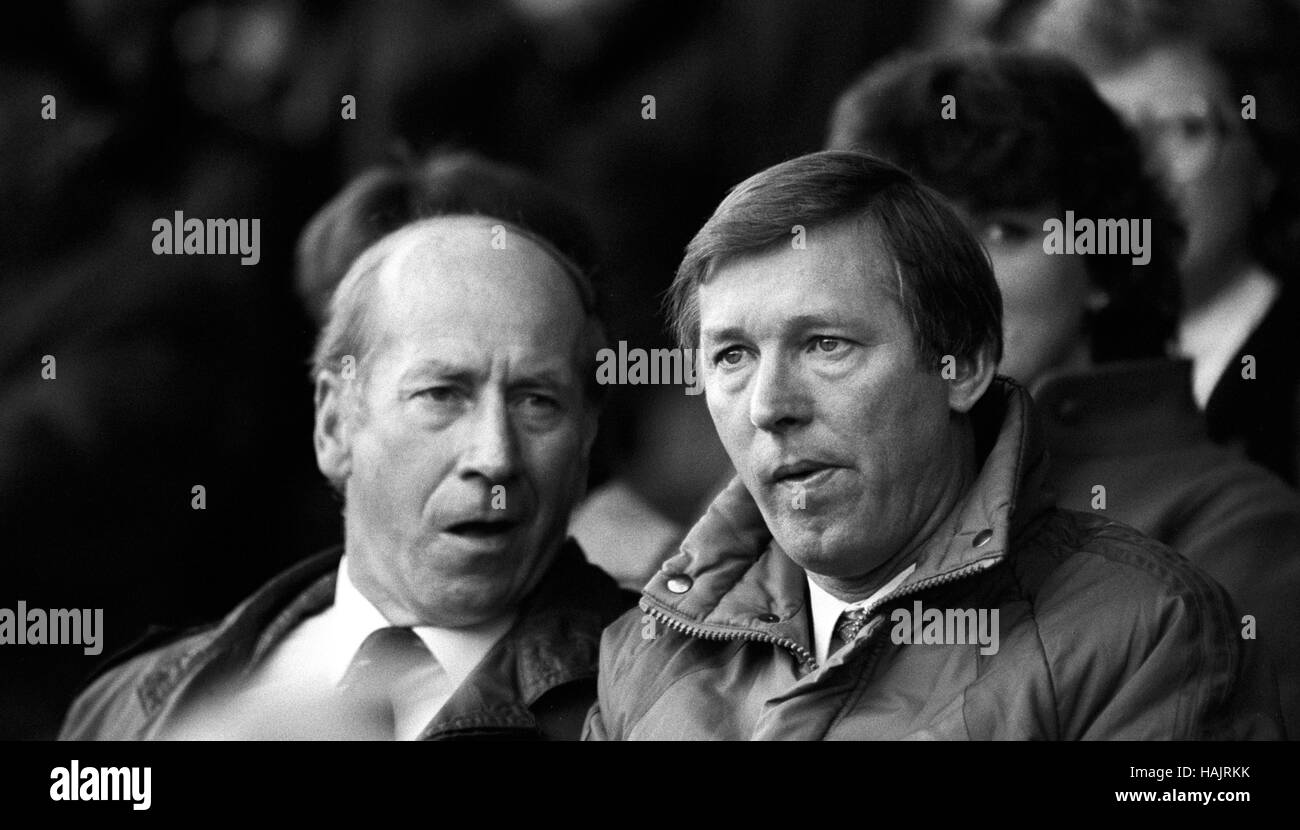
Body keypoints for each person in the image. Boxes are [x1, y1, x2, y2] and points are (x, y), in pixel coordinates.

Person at [584, 150, 1282, 740]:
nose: (769, 406)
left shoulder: (1151, 632)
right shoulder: (642, 655)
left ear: (965, 365)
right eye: (732, 356)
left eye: (825, 345)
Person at [826, 47, 1300, 736]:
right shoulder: (797, 477)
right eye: (911, 241)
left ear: (1103, 264)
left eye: (1002, 230)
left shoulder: (1235, 528)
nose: (948, 277)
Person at [60, 210, 630, 740]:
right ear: (333, 425)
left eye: (537, 401)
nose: (495, 456)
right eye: (441, 394)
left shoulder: (665, 703)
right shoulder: (126, 707)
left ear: (585, 443)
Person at [1004, 0, 1300, 485]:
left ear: (1265, 158)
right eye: (1105, 137)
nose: (1142, 170)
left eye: (1186, 129)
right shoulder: (1024, 363)